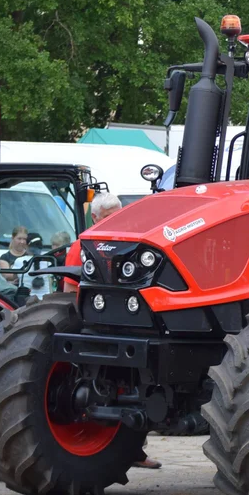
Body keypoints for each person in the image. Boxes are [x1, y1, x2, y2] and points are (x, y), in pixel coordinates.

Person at [62, 193, 163, 470]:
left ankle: (135, 450)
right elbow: (70, 290)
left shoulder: (130, 246)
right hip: (95, 320)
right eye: (108, 217)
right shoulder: (81, 246)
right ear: (94, 219)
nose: (115, 221)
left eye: (118, 215)